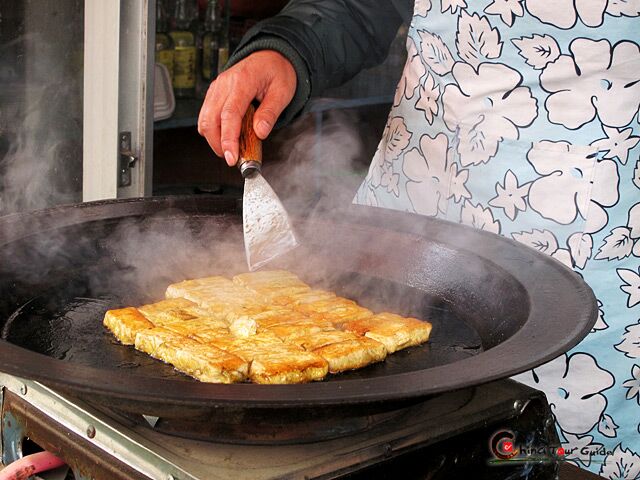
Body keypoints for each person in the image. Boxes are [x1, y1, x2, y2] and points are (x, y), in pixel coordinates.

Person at [198, 1, 640, 475]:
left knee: (546, 456)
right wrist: (286, 49)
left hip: (582, 224)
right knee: (396, 447)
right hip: (412, 209)